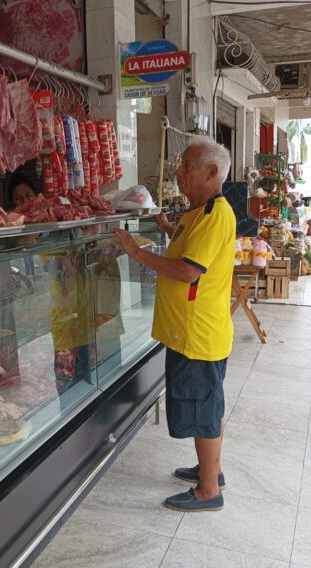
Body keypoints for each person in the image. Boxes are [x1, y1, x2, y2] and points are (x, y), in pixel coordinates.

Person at [114, 136, 234, 512]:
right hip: (191, 332)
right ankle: (209, 469)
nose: (178, 174)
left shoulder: (215, 215)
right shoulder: (199, 212)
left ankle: (209, 491)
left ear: (212, 173)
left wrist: (135, 251)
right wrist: (166, 227)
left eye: (186, 168)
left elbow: (187, 271)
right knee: (207, 405)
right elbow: (188, 247)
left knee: (203, 407)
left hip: (197, 335)